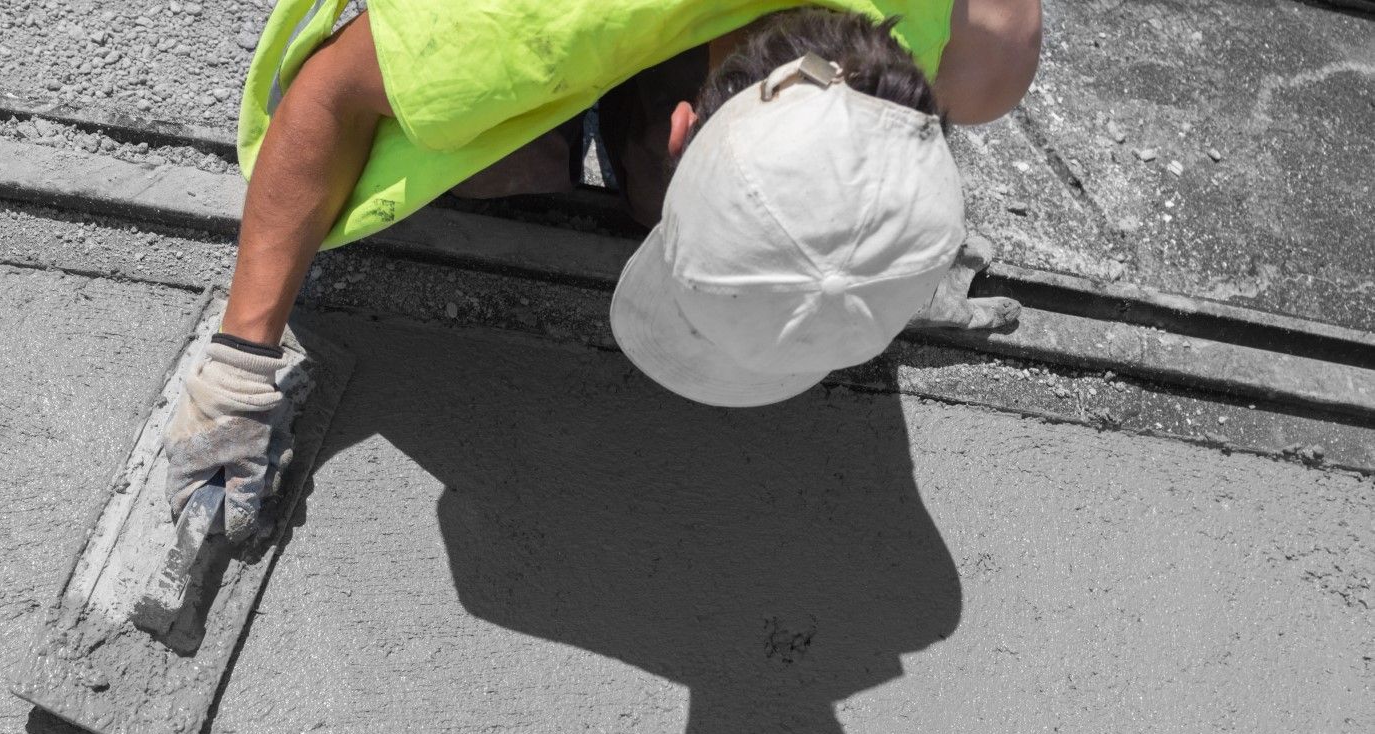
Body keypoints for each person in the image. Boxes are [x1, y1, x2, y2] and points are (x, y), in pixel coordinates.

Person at [164, 0, 1042, 542]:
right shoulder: (525, 19)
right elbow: (329, 93)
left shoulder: (969, 45)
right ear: (684, 121)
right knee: (506, 162)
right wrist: (242, 364)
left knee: (990, 61)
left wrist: (880, 237)